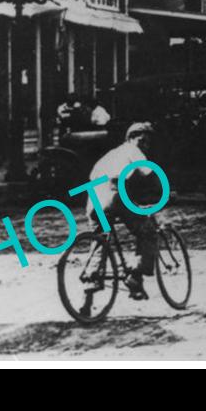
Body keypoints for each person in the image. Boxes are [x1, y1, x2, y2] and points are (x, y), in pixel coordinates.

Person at [85, 121, 161, 300]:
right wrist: (165, 194)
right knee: (148, 232)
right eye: (142, 140)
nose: (144, 145)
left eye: (147, 142)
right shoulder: (133, 151)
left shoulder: (112, 154)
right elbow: (150, 174)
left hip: (94, 198)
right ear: (131, 138)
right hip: (113, 194)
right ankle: (135, 276)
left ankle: (92, 281)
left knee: (100, 238)